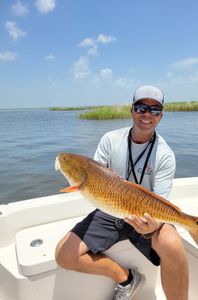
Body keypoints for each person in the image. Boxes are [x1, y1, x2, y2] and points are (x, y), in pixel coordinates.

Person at [55, 85, 189, 300]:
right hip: (110, 210)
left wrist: (152, 226)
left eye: (154, 110)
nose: (147, 114)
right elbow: (94, 178)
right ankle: (126, 279)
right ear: (131, 110)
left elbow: (161, 200)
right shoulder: (110, 140)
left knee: (172, 243)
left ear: (161, 116)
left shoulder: (165, 155)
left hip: (146, 215)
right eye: (141, 107)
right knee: (64, 255)